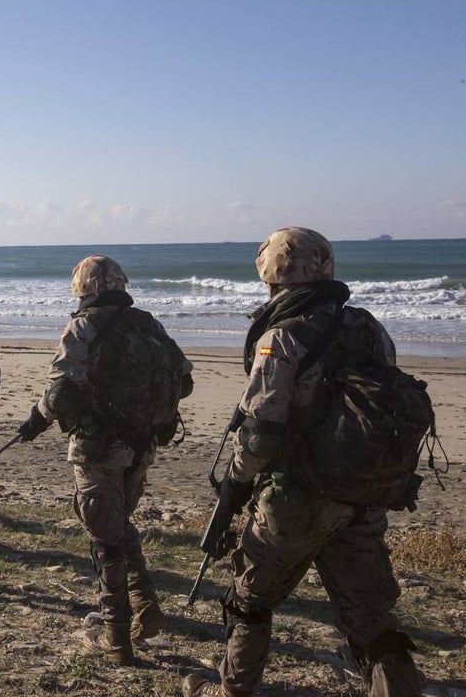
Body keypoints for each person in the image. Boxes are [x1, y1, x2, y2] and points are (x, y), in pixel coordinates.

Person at [183, 227, 423, 697]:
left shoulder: (283, 336)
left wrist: (234, 485)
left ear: (272, 276)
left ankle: (232, 691)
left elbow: (260, 432)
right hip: (362, 494)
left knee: (248, 600)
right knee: (371, 616)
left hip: (297, 501)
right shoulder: (369, 328)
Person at [16, 255, 193, 663]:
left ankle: (115, 635)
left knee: (104, 538)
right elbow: (184, 382)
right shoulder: (149, 324)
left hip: (98, 448)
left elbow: (61, 393)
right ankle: (145, 604)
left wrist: (35, 420)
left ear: (83, 288)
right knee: (117, 524)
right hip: (143, 444)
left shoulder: (84, 326)